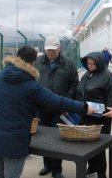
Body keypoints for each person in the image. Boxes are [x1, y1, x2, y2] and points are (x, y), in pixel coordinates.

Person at [0, 46, 96, 178]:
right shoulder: (31, 85)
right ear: (32, 63)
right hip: (14, 142)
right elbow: (58, 101)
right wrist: (85, 107)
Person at [35, 36, 79, 178]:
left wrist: (66, 100)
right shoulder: (38, 62)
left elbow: (74, 84)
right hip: (42, 107)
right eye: (48, 50)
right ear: (44, 48)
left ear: (59, 48)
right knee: (43, 138)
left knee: (57, 138)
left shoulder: (68, 64)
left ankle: (57, 170)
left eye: (53, 50)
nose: (51, 53)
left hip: (60, 107)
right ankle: (47, 165)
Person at [75, 52, 112, 178]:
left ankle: (101, 173)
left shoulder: (108, 76)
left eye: (93, 63)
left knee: (98, 148)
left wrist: (94, 110)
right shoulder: (87, 75)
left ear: (99, 63)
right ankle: (92, 167)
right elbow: (80, 91)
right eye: (88, 63)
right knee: (87, 145)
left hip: (101, 119)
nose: (91, 66)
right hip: (85, 116)